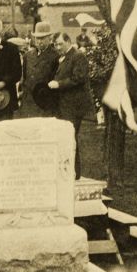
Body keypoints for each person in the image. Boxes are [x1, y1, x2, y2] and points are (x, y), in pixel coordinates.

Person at [49, 32, 93, 180]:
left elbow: (78, 78)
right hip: (65, 105)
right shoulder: (64, 57)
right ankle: (69, 171)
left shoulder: (78, 56)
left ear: (68, 41)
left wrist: (58, 84)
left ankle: (74, 172)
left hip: (74, 106)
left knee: (70, 137)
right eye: (56, 45)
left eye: (60, 44)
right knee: (66, 137)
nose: (58, 47)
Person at [17, 21, 60, 118]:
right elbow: (25, 78)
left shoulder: (55, 56)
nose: (39, 41)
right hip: (28, 102)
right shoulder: (28, 56)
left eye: (42, 38)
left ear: (49, 38)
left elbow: (56, 81)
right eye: (37, 38)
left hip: (45, 103)